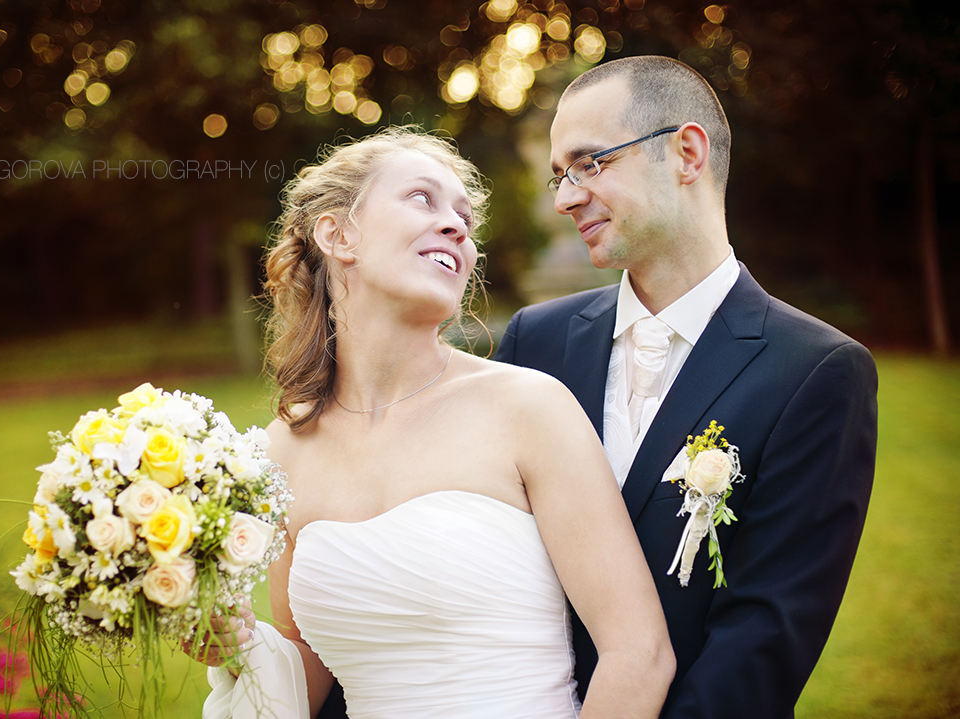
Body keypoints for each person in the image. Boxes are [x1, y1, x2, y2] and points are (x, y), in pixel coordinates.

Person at [196, 127, 675, 719]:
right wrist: (236, 642)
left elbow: (639, 653)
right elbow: (307, 658)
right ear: (337, 233)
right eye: (422, 199)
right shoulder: (283, 450)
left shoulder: (528, 408)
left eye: (465, 217)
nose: (456, 225)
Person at [493, 56, 877, 719]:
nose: (563, 197)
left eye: (589, 163)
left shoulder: (817, 372)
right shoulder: (535, 342)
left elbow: (761, 644)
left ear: (687, 153)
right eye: (560, 175)